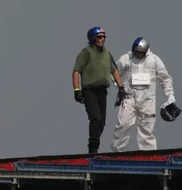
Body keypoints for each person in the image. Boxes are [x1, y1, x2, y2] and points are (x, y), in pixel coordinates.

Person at [110, 37, 176, 152]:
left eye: (141, 53)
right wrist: (120, 87)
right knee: (122, 126)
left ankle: (149, 155)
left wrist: (170, 95)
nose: (139, 55)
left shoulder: (154, 60)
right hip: (129, 98)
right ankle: (117, 153)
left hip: (147, 100)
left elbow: (165, 78)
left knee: (147, 130)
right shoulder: (126, 58)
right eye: (137, 52)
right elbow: (114, 73)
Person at [72, 26, 127, 154]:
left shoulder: (107, 53)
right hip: (89, 91)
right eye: (99, 37)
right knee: (95, 118)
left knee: (102, 121)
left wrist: (121, 87)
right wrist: (76, 89)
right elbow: (76, 71)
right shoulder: (86, 53)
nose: (102, 39)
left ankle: (95, 142)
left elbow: (114, 70)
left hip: (102, 91)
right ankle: (93, 146)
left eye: (103, 37)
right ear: (93, 39)